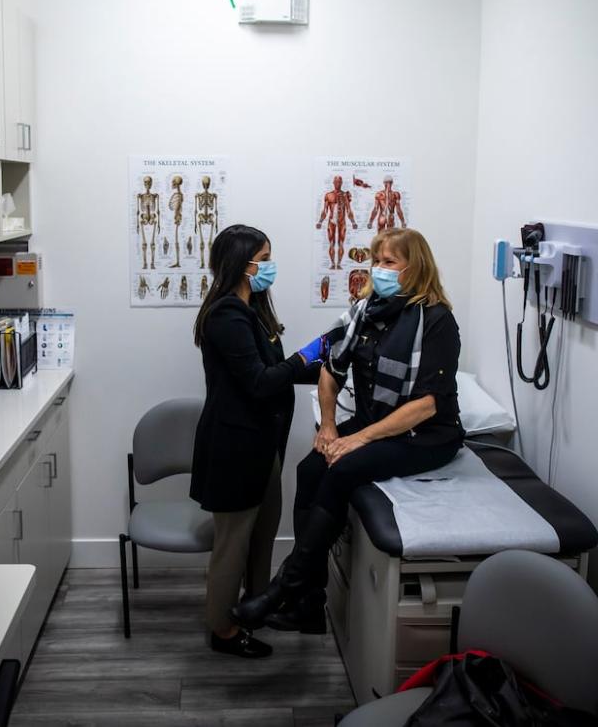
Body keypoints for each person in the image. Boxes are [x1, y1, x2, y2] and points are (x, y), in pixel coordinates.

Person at [232, 228, 465, 634]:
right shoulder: (365, 312)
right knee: (310, 468)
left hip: (426, 435)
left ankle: (284, 586)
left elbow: (427, 404)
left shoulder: (438, 321)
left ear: (416, 267)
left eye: (389, 261)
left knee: (341, 471)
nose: (379, 269)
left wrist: (356, 439)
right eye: (377, 260)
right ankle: (309, 603)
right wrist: (328, 426)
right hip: (377, 420)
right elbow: (330, 369)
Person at [191, 224, 324, 658]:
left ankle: (252, 609)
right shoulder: (227, 315)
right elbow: (260, 381)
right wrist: (308, 355)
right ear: (241, 265)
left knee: (262, 534)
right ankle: (222, 630)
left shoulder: (253, 311)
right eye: (263, 258)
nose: (269, 266)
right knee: (233, 543)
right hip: (236, 448)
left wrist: (328, 361)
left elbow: (275, 368)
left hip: (262, 445)